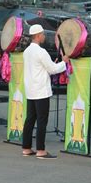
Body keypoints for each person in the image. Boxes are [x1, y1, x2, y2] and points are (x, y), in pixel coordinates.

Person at [22, 24, 68, 158]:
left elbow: (43, 67)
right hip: (41, 90)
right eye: (42, 34)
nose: (43, 36)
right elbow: (53, 69)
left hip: (31, 89)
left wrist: (53, 64)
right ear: (37, 36)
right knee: (42, 120)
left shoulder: (27, 51)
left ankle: (26, 147)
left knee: (30, 119)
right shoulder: (41, 52)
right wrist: (64, 62)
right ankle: (41, 150)